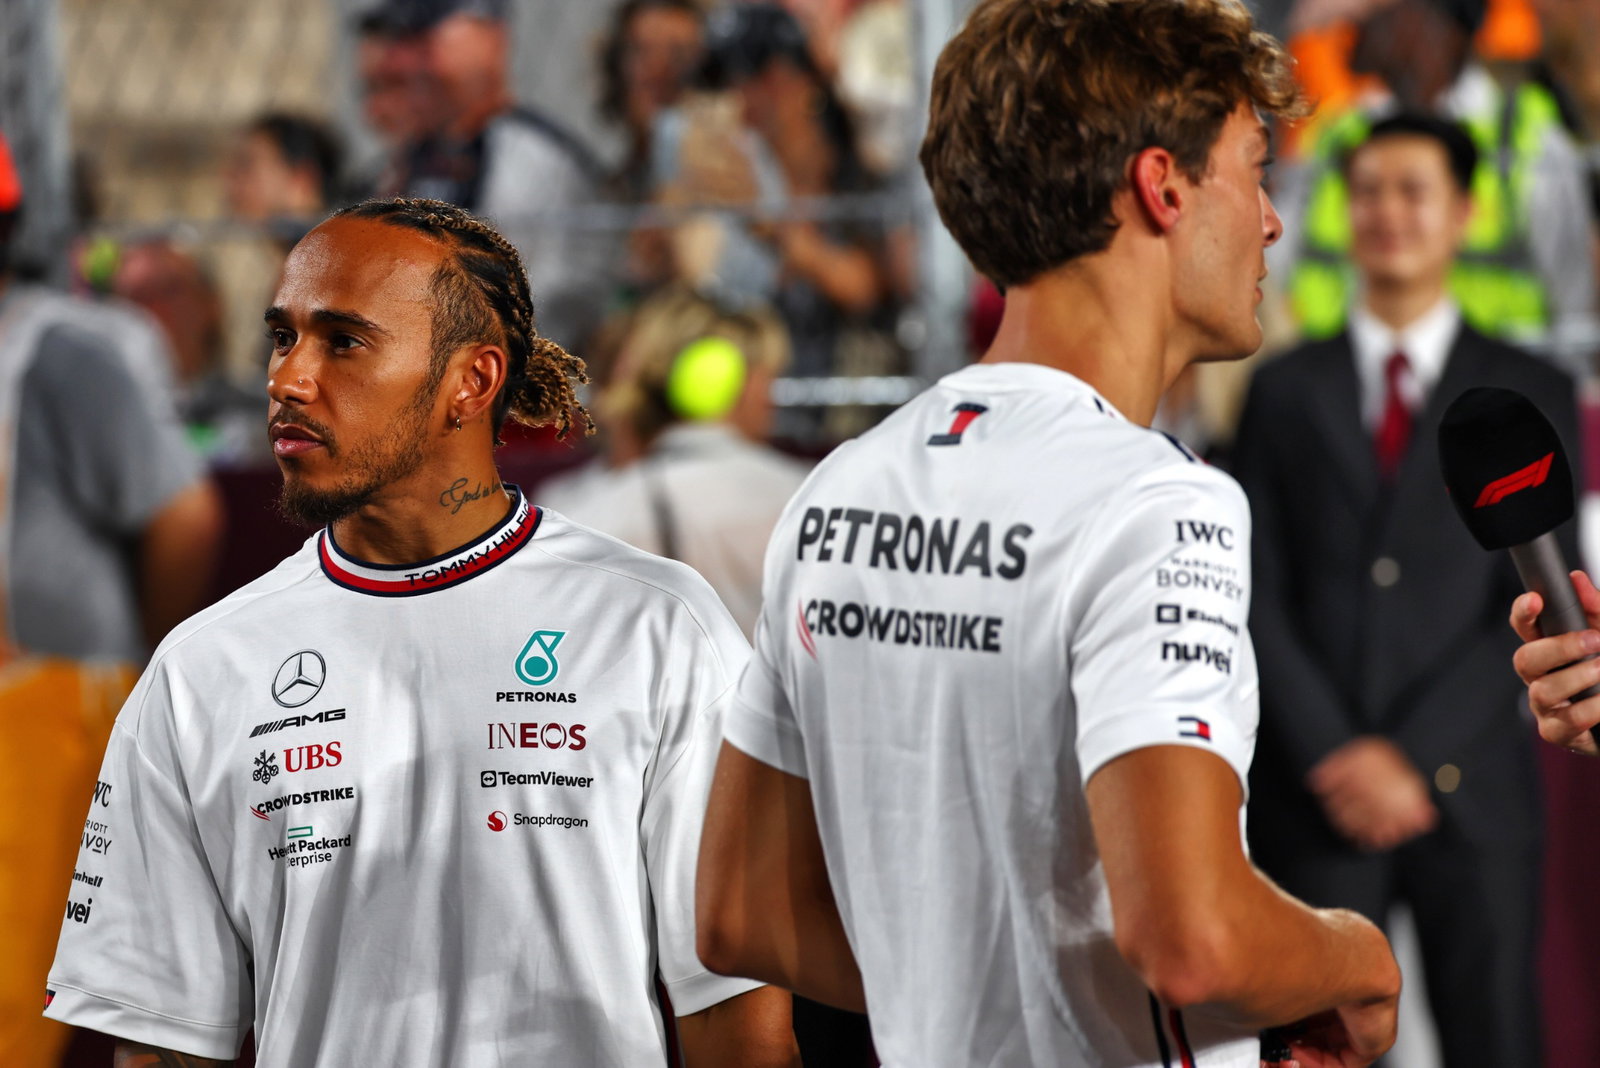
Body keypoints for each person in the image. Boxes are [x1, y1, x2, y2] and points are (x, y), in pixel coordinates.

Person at [693, 1, 1401, 1066]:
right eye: (1253, 171)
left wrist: (986, 999)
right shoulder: (1159, 502)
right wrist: (1356, 962)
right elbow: (1194, 941)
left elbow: (741, 912)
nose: (1270, 221)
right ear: (1163, 187)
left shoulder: (840, 487)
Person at [42, 198, 798, 1067]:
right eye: (283, 337)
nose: (287, 379)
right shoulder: (199, 670)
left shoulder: (660, 628)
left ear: (471, 382)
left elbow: (741, 1028)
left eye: (343, 342)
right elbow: (159, 1046)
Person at [1232, 113, 1577, 1068]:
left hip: (1472, 786)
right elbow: (1256, 594)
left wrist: (1409, 758)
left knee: (1497, 1037)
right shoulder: (1280, 389)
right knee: (1316, 1046)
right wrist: (1339, 755)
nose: (1388, 212)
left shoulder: (1529, 389)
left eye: (1413, 190)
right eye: (1368, 190)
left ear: (1463, 212)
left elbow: (1541, 600)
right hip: (1319, 792)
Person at [0, 133, 224, 1068]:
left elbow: (182, 517)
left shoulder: (55, 353)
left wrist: (149, 673)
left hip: (48, 708)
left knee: (20, 1000)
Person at [1272, 0, 1598, 362]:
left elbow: (1573, 307)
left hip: (1496, 390)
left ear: (1427, 21)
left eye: (1376, 17)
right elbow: (1275, 274)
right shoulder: (1335, 135)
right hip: (1344, 386)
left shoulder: (1527, 138)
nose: (1350, 31)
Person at [540, 287, 810, 640]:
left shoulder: (574, 515)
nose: (769, 398)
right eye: (765, 377)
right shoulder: (807, 495)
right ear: (720, 378)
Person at [368, 0, 608, 349]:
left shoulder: (537, 158)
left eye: (426, 39)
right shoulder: (410, 159)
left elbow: (556, 301)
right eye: (405, 42)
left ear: (491, 38)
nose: (408, 61)